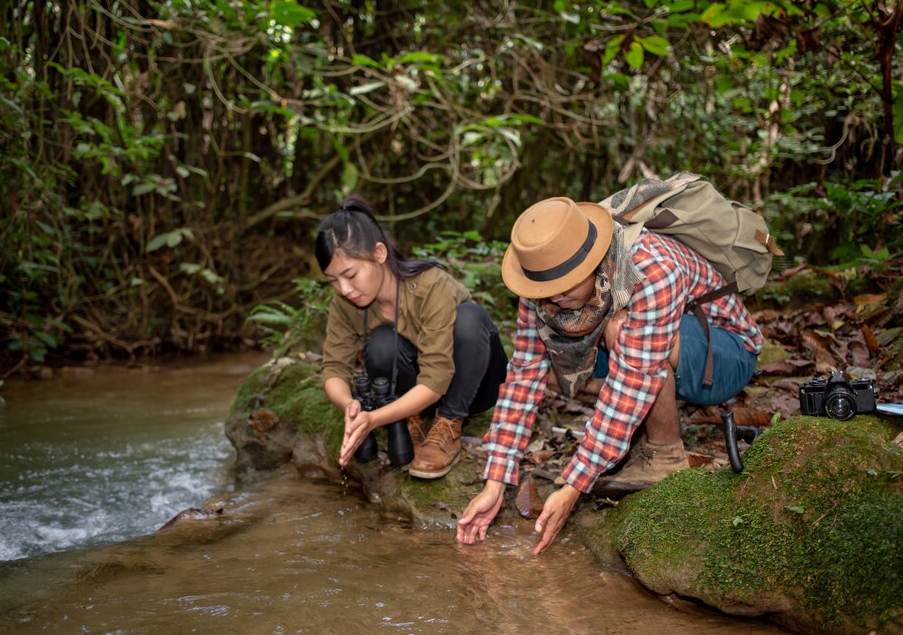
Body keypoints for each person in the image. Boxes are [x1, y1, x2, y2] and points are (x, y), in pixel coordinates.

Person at [456, 194, 762, 553]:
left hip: (725, 354)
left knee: (622, 333)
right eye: (545, 292)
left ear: (593, 262)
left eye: (565, 286)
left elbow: (634, 377)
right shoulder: (540, 283)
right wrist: (495, 480)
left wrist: (574, 484)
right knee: (548, 367)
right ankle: (628, 433)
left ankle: (665, 456)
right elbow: (524, 374)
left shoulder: (652, 269)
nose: (553, 300)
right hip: (650, 354)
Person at [316, 195, 508, 478]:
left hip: (472, 386)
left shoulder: (430, 285)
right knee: (382, 343)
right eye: (334, 280)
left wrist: (375, 419)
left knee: (469, 318)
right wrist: (350, 406)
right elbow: (333, 367)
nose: (344, 289)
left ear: (379, 254)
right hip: (417, 393)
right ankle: (413, 420)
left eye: (351, 274)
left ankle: (449, 424)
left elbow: (436, 376)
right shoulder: (345, 305)